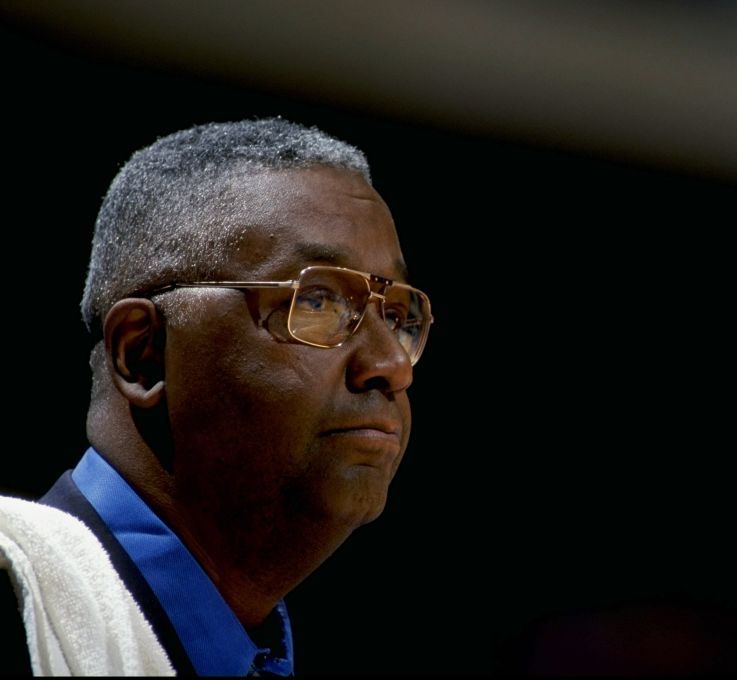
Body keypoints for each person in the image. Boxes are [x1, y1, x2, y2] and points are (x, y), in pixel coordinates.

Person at [0, 118, 432, 675]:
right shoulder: (18, 590)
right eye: (318, 300)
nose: (392, 365)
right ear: (143, 353)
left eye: (396, 315)